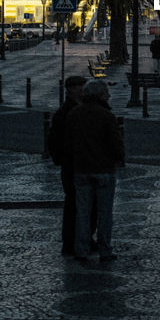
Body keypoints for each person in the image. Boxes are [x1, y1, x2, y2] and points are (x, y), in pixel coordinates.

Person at [65, 80, 125, 262]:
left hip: (81, 170)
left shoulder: (74, 114)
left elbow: (68, 143)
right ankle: (105, 249)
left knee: (83, 212)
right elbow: (116, 144)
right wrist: (119, 158)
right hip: (104, 170)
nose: (109, 95)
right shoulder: (106, 116)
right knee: (105, 213)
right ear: (99, 95)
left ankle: (81, 250)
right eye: (106, 92)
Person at [49, 75, 90, 256]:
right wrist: (62, 159)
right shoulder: (65, 113)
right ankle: (70, 241)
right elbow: (54, 140)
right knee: (74, 204)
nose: (82, 90)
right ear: (70, 90)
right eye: (79, 87)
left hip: (79, 163)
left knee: (84, 205)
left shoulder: (80, 109)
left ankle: (83, 238)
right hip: (72, 164)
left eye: (84, 86)